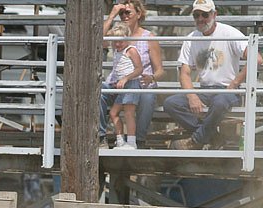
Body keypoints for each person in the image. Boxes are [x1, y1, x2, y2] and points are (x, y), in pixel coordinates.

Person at [164, 0, 263, 150]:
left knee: (219, 103)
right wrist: (192, 96)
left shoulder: (229, 33)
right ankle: (212, 137)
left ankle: (196, 140)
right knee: (171, 103)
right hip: (205, 90)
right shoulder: (191, 38)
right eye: (196, 15)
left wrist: (235, 83)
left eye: (205, 14)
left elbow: (256, 59)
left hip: (228, 91)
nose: (200, 19)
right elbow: (184, 73)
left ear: (214, 14)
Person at [100, 0, 164, 149]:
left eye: (127, 12)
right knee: (99, 91)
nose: (124, 16)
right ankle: (100, 137)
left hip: (140, 84)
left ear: (139, 14)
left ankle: (138, 140)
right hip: (118, 84)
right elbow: (98, 41)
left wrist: (152, 78)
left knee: (148, 96)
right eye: (121, 13)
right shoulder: (116, 34)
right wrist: (112, 15)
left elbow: (160, 70)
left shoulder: (148, 37)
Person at [103, 23, 144, 150]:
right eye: (115, 41)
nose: (118, 44)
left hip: (131, 84)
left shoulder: (130, 50)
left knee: (128, 113)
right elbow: (107, 34)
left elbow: (139, 69)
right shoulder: (116, 50)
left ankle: (132, 142)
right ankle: (120, 140)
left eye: (121, 41)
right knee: (113, 113)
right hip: (121, 86)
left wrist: (126, 78)